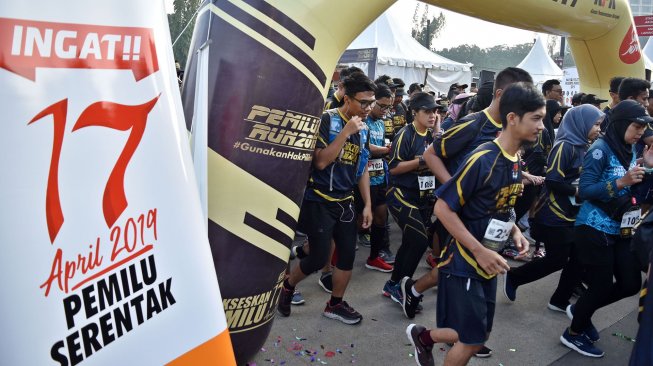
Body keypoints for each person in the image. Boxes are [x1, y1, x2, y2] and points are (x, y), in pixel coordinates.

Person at [411, 82, 541, 366]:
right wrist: (479, 251)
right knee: (470, 340)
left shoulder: (516, 159)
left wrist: (516, 231)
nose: (541, 126)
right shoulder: (482, 159)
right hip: (465, 262)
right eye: (536, 118)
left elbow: (501, 205)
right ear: (512, 118)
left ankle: (425, 338)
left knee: (479, 335)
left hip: (487, 263)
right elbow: (443, 208)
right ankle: (424, 334)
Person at [277, 72, 374, 324]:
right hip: (319, 199)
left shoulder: (364, 128)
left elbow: (362, 166)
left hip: (346, 201)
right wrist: (345, 132)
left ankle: (335, 304)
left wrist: (368, 205)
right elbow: (320, 162)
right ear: (348, 99)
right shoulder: (327, 120)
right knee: (319, 258)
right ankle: (287, 286)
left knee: (347, 256)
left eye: (371, 103)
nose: (368, 108)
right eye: (363, 102)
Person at [560, 99, 653, 357]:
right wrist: (621, 182)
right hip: (593, 226)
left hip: (621, 228)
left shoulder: (630, 149)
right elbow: (586, 191)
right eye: (636, 127)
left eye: (643, 129)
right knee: (600, 285)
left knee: (630, 282)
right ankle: (574, 333)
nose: (640, 133)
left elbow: (636, 188)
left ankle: (581, 310)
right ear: (622, 123)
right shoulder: (600, 150)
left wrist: (647, 167)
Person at [503, 105, 605, 311]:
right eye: (595, 124)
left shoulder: (586, 146)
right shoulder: (565, 146)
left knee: (579, 256)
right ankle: (514, 277)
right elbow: (553, 180)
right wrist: (579, 192)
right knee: (557, 259)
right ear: (581, 123)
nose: (598, 129)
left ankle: (560, 299)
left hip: (574, 213)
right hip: (553, 212)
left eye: (599, 125)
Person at [381, 92, 437, 308]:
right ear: (415, 113)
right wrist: (424, 160)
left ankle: (395, 284)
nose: (432, 115)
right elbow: (394, 168)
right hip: (400, 194)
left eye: (435, 111)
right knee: (420, 240)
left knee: (410, 241)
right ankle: (402, 287)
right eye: (427, 111)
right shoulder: (406, 134)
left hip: (423, 197)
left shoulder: (432, 136)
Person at [359, 83, 394, 272]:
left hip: (379, 178)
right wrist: (387, 150)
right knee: (357, 222)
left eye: (389, 107)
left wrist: (384, 152)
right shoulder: (362, 121)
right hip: (361, 181)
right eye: (382, 106)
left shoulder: (381, 123)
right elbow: (366, 148)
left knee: (381, 217)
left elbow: (380, 150)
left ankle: (374, 257)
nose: (385, 110)